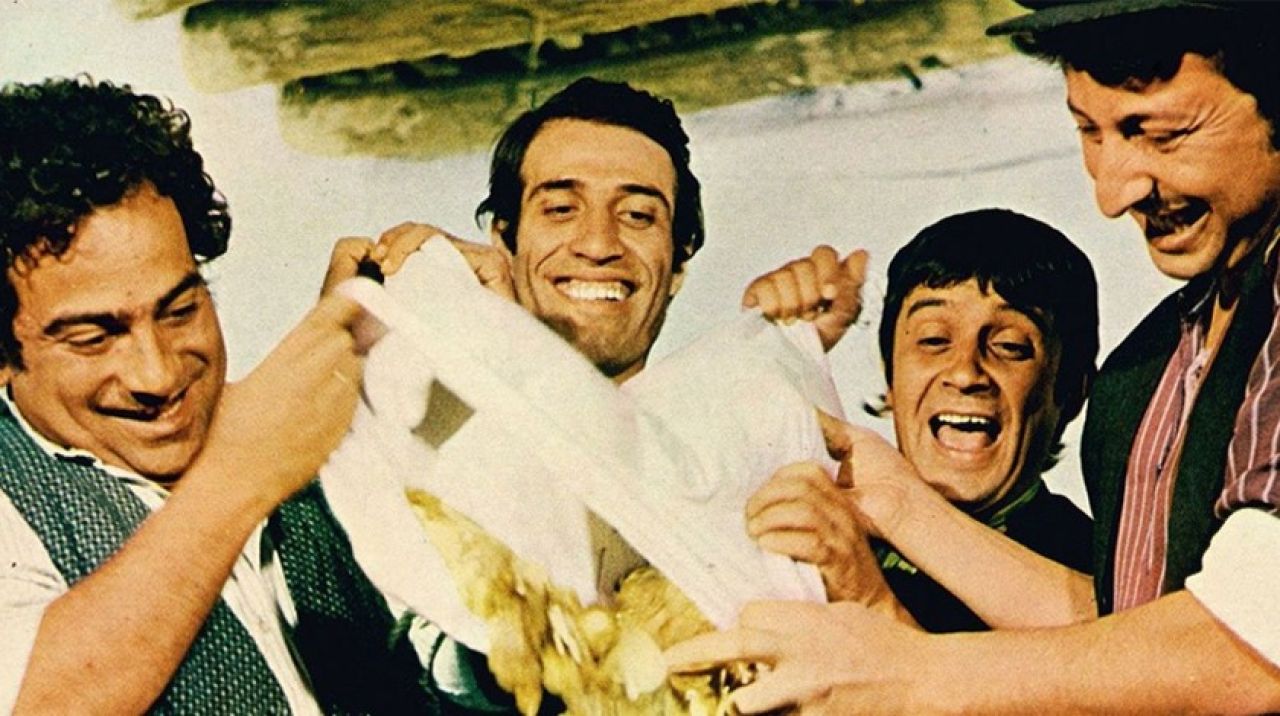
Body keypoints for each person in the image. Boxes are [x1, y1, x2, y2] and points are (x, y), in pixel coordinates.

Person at [666, 2, 1280, 712]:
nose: (1113, 193)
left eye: (1162, 134)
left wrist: (904, 665)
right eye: (1089, 131)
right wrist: (895, 500)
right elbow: (1116, 628)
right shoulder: (1150, 364)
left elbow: (1248, 647)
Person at [0, 77, 437, 713]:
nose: (157, 375)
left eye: (180, 311)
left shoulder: (280, 441)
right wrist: (243, 474)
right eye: (95, 338)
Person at [740, 208, 1097, 633]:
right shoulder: (819, 517)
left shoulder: (1104, 571)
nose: (965, 373)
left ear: (1071, 391)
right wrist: (775, 353)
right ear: (890, 375)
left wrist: (866, 597)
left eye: (1009, 346)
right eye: (933, 340)